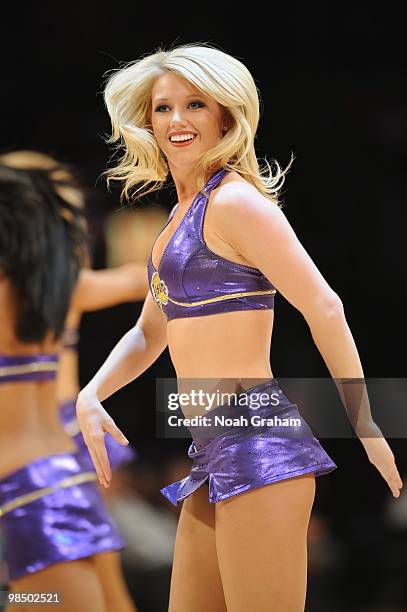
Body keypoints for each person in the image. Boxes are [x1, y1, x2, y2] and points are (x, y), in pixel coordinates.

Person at [76, 43, 403, 611]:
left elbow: (325, 306)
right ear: (146, 121)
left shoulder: (235, 204)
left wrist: (365, 419)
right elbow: (149, 333)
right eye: (163, 108)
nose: (177, 120)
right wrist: (92, 392)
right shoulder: (178, 218)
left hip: (256, 438)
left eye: (195, 105)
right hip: (212, 447)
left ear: (225, 115)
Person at [0, 157, 136, 611]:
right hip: (54, 483)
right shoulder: (63, 289)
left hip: (38, 502)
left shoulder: (38, 291)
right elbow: (143, 280)